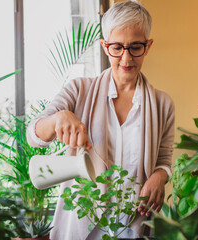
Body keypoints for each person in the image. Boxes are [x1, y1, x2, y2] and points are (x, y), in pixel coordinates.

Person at [27, 1, 175, 239]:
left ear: (147, 46)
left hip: (134, 227)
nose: (126, 58)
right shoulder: (79, 89)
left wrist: (160, 176)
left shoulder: (163, 104)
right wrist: (57, 119)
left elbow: (165, 161)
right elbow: (34, 136)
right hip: (79, 228)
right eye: (117, 47)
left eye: (135, 46)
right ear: (105, 46)